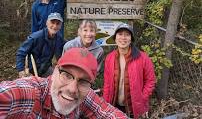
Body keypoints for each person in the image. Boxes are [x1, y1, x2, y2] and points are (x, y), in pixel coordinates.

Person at [0, 48, 128, 119]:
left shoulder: (84, 94)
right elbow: (6, 94)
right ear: (55, 71)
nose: (73, 89)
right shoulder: (31, 93)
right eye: (67, 75)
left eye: (83, 81)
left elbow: (108, 113)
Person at [102, 23, 156, 119]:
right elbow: (107, 84)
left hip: (134, 107)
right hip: (114, 105)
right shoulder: (109, 58)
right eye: (120, 34)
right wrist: (105, 104)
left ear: (131, 39)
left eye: (127, 34)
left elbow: (150, 81)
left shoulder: (143, 58)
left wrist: (142, 98)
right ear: (115, 38)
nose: (123, 38)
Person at [16, 12, 65, 78]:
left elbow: (68, 46)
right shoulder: (36, 37)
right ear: (47, 23)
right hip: (32, 70)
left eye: (58, 24)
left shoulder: (59, 38)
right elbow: (21, 52)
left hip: (45, 68)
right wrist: (21, 70)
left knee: (58, 79)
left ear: (60, 26)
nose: (55, 26)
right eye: (52, 22)